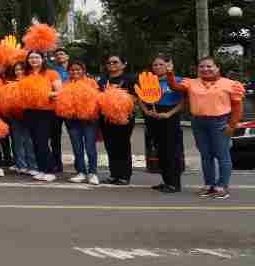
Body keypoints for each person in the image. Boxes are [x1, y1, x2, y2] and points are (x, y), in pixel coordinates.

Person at [167, 57, 246, 199]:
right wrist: (170, 73)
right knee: (205, 155)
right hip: (198, 122)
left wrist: (232, 125)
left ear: (217, 68)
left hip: (220, 122)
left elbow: (237, 107)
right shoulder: (191, 82)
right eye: (202, 66)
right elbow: (175, 87)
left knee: (223, 156)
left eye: (209, 66)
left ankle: (222, 186)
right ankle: (209, 185)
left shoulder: (230, 84)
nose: (205, 69)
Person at [141, 55, 184, 194]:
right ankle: (166, 181)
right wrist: (146, 111)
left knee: (172, 150)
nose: (157, 67)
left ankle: (174, 183)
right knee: (160, 150)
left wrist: (170, 114)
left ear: (168, 65)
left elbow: (184, 100)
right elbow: (140, 97)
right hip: (153, 116)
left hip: (170, 116)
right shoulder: (149, 81)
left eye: (160, 64)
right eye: (155, 65)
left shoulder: (177, 80)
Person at [97, 54, 137, 186]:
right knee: (110, 146)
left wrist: (121, 103)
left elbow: (137, 98)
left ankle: (124, 175)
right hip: (106, 118)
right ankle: (114, 174)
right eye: (109, 63)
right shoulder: (103, 81)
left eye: (115, 62)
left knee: (123, 146)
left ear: (124, 64)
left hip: (124, 118)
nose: (111, 65)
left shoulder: (130, 79)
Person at [20, 50, 60, 182]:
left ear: (43, 59)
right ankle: (41, 169)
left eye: (37, 57)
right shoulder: (26, 74)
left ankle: (50, 170)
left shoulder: (51, 73)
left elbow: (59, 92)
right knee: (35, 142)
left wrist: (44, 94)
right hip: (30, 111)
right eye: (31, 58)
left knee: (42, 141)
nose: (33, 60)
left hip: (46, 112)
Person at [63, 59, 100, 185]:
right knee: (77, 148)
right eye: (72, 70)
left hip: (89, 120)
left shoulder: (91, 82)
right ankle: (81, 172)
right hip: (72, 121)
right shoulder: (66, 83)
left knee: (90, 147)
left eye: (78, 69)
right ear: (69, 71)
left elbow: (97, 99)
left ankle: (93, 173)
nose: (75, 72)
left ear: (83, 71)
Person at [4, 61, 38, 177]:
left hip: (29, 115)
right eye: (16, 70)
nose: (19, 72)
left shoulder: (31, 83)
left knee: (29, 141)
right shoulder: (10, 84)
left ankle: (32, 165)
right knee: (17, 141)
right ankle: (21, 165)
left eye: (21, 69)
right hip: (15, 116)